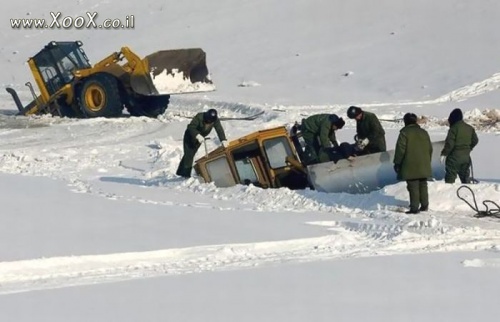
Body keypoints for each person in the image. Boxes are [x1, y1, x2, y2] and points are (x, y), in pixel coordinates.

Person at [393, 113, 433, 214]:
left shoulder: (404, 133)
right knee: (423, 183)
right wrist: (427, 161)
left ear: (405, 122)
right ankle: (424, 205)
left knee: (413, 184)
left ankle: (414, 208)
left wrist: (397, 163)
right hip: (424, 163)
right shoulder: (424, 132)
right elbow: (430, 148)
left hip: (410, 164)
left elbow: (400, 150)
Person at [176, 109, 228, 178]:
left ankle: (180, 172)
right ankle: (186, 174)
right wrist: (197, 135)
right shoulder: (199, 117)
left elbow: (219, 129)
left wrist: (223, 139)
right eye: (208, 120)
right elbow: (190, 127)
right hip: (190, 136)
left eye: (211, 121)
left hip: (200, 138)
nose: (209, 122)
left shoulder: (215, 120)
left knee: (190, 154)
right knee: (189, 155)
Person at [440, 108, 479, 184]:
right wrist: (468, 149)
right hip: (466, 158)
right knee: (465, 179)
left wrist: (444, 153)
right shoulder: (470, 128)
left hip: (454, 158)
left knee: (450, 179)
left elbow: (449, 144)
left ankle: (448, 195)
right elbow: (475, 140)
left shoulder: (453, 129)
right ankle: (467, 193)